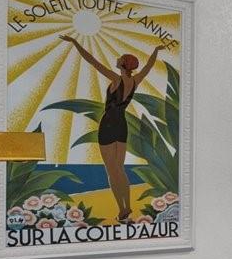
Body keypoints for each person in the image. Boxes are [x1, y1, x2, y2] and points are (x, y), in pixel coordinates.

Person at [60, 35, 168, 222]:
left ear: (123, 64)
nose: (117, 59)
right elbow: (149, 67)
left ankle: (122, 210)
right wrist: (155, 52)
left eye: (120, 58)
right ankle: (127, 207)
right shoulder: (135, 81)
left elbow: (93, 62)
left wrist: (76, 43)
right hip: (122, 125)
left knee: (112, 171)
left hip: (109, 124)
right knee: (120, 169)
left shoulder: (116, 79)